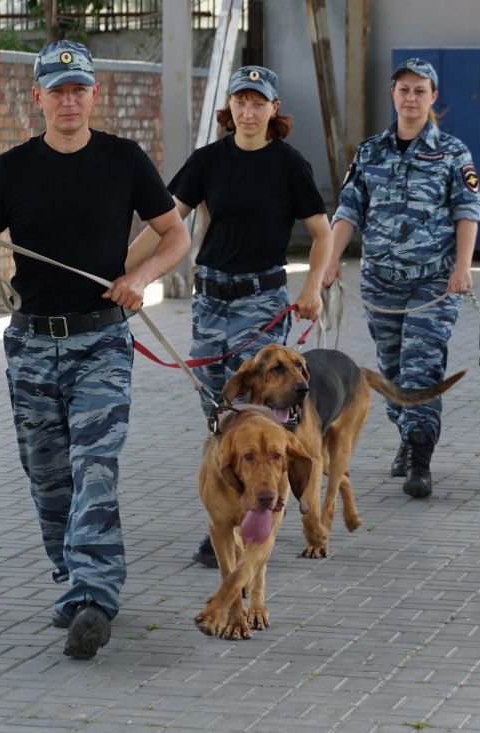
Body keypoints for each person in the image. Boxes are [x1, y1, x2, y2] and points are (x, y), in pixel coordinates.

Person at [0, 40, 189, 659]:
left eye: (77, 89)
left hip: (101, 341)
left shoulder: (124, 160)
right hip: (32, 344)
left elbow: (175, 234)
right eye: (55, 90)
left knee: (94, 466)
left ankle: (95, 594)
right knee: (48, 475)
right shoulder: (10, 169)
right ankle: (71, 582)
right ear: (37, 98)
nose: (67, 100)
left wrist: (139, 280)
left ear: (94, 95)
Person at [128, 65, 332, 566]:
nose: (248, 111)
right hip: (211, 299)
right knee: (218, 411)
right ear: (230, 108)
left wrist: (312, 288)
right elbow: (163, 225)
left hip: (262, 302)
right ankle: (230, 515)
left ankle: (253, 521)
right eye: (240, 101)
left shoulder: (289, 165)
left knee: (258, 412)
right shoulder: (207, 161)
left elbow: (324, 233)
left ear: (273, 110)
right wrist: (119, 274)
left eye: (258, 102)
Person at [324, 58, 480, 499]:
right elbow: (349, 209)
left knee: (420, 367)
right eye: (403, 90)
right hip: (381, 284)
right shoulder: (370, 151)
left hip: (433, 284)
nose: (410, 98)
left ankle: (420, 453)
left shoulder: (453, 153)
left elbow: (467, 211)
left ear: (433, 97)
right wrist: (330, 261)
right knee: (392, 371)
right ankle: (408, 433)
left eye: (419, 90)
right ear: (393, 95)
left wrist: (463, 267)